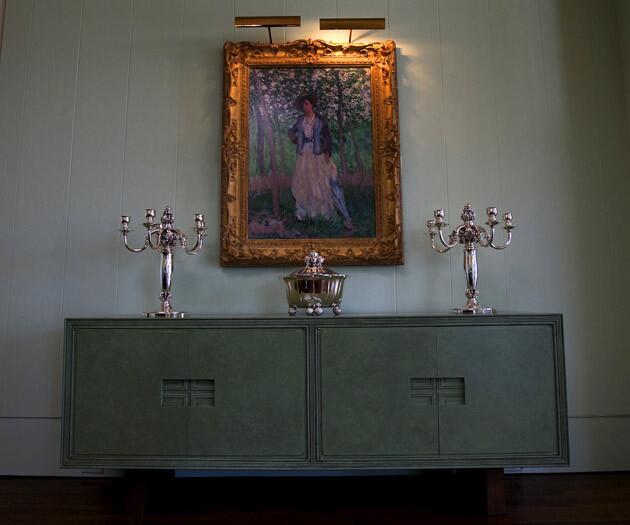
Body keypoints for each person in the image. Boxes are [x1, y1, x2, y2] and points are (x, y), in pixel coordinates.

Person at [288, 94, 352, 229]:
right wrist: (296, 140)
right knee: (303, 181)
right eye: (303, 105)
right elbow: (291, 131)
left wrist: (327, 152)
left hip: (317, 152)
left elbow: (327, 137)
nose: (305, 107)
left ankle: (321, 214)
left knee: (319, 182)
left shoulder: (319, 120)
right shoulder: (300, 120)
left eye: (307, 104)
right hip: (304, 153)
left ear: (312, 105)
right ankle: (304, 214)